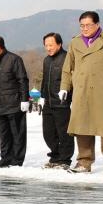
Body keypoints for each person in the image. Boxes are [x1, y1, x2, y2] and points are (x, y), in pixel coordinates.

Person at [60, 11, 103, 177]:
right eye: (82, 25)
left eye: (88, 25)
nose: (85, 28)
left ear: (97, 24)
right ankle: (84, 162)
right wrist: (64, 87)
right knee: (82, 128)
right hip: (81, 90)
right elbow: (68, 67)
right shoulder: (75, 42)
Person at [0, 36, 30, 167]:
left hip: (14, 103)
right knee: (4, 134)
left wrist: (24, 99)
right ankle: (5, 158)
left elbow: (22, 80)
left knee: (17, 134)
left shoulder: (14, 59)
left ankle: (17, 161)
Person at [40, 33, 74, 169]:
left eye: (51, 45)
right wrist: (42, 96)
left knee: (64, 133)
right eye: (46, 45)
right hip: (48, 103)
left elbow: (72, 80)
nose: (48, 48)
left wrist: (69, 98)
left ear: (59, 44)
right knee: (48, 133)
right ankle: (55, 157)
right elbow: (44, 80)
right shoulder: (46, 60)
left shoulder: (67, 58)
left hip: (62, 102)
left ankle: (65, 160)